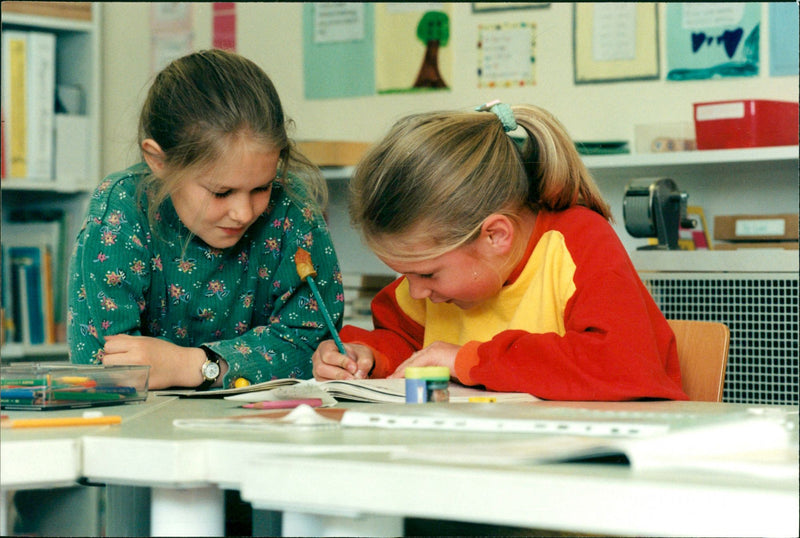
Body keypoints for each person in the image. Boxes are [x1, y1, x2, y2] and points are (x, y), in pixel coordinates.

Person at [311, 101, 688, 401]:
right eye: (405, 274)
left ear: (495, 236)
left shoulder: (577, 244)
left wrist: (467, 360)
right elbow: (408, 342)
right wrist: (369, 356)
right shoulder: (433, 283)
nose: (415, 292)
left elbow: (622, 365)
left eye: (427, 274)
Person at [67, 49, 344, 390]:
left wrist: (195, 365)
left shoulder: (292, 208)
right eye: (220, 191)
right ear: (159, 161)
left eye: (262, 187)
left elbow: (315, 347)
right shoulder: (121, 210)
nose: (243, 213)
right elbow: (106, 367)